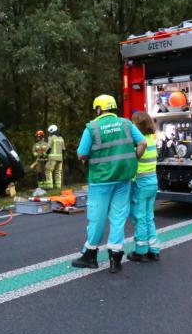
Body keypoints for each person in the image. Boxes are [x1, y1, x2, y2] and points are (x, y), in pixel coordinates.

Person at [71, 95, 147, 273]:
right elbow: (142, 143)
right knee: (118, 218)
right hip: (123, 178)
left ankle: (90, 255)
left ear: (98, 109)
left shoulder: (92, 128)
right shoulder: (127, 124)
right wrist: (134, 158)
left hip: (101, 180)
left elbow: (82, 154)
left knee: (97, 218)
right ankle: (115, 258)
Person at [127, 111, 160, 262]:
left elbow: (132, 160)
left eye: (133, 124)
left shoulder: (140, 143)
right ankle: (154, 250)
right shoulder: (152, 139)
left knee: (139, 218)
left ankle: (141, 251)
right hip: (152, 182)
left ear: (138, 126)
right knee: (149, 217)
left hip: (140, 184)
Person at [44, 124, 65, 190]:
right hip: (60, 158)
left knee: (48, 171)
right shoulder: (61, 138)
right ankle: (58, 187)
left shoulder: (52, 138)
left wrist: (45, 154)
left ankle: (50, 187)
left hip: (52, 158)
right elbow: (64, 149)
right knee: (58, 172)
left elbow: (49, 148)